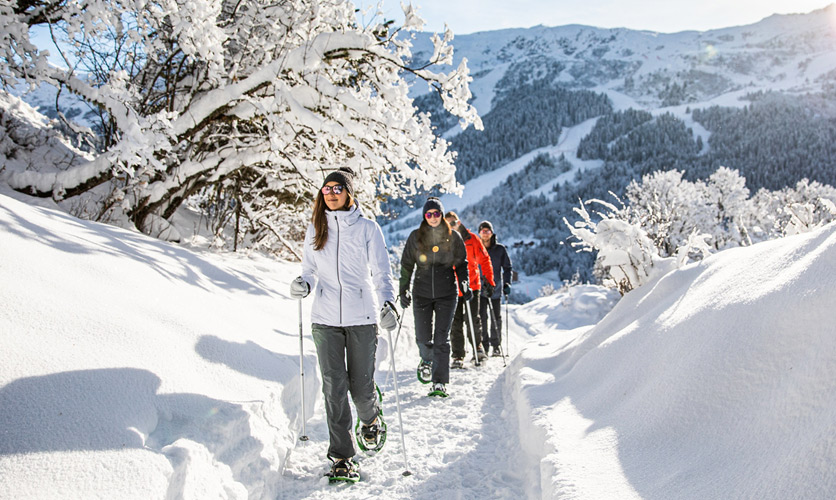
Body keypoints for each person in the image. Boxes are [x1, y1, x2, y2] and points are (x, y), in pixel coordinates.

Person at [290, 167, 399, 481]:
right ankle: (342, 456)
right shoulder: (316, 228)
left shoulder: (367, 229)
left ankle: (370, 420)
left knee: (361, 390)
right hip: (324, 319)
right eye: (327, 189)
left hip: (361, 318)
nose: (331, 193)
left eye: (338, 188)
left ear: (349, 193)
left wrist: (388, 303)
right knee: (334, 389)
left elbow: (382, 273)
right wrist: (304, 284)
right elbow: (309, 269)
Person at [399, 197, 468, 398]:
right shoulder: (415, 237)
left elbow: (462, 264)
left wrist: (464, 282)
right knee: (422, 337)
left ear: (441, 215)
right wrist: (403, 289)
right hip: (421, 294)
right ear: (424, 216)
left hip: (447, 294)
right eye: (429, 214)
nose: (433, 217)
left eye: (436, 213)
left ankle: (439, 382)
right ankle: (427, 359)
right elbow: (406, 265)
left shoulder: (453, 237)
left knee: (441, 339)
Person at [445, 212, 495, 368]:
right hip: (452, 288)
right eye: (449, 224)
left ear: (459, 222)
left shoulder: (472, 239)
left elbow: (485, 259)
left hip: (472, 286)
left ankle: (477, 348)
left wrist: (489, 280)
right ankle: (458, 355)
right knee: (455, 322)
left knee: (473, 319)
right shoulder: (443, 240)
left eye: (454, 223)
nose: (452, 226)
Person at [477, 220, 513, 356]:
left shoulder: (500, 249)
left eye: (488, 231)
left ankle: (496, 346)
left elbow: (507, 268)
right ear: (479, 233)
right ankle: (484, 346)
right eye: (482, 231)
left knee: (495, 318)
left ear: (492, 233)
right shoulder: (477, 248)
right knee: (482, 318)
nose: (485, 234)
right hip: (480, 290)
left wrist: (507, 283)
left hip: (496, 289)